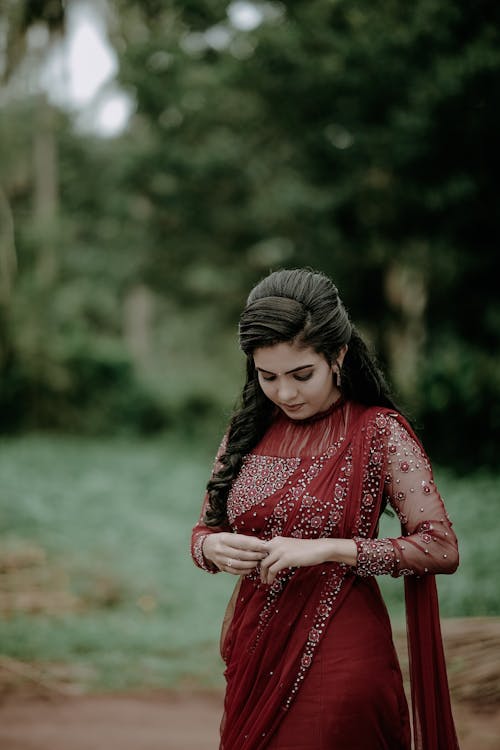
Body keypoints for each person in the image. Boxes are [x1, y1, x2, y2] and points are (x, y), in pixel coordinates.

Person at [191, 268, 460, 750]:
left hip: (341, 652)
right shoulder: (247, 431)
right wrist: (210, 546)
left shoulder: (378, 431)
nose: (286, 393)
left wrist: (328, 550)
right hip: (255, 652)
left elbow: (439, 548)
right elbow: (205, 528)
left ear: (337, 355)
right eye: (267, 376)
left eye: (301, 375)